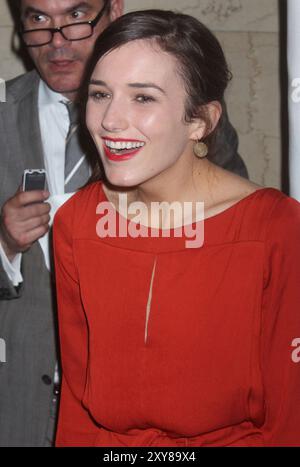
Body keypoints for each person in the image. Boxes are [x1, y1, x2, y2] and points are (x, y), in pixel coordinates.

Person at [53, 10, 300, 447]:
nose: (110, 120)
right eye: (99, 94)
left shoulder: (275, 229)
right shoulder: (78, 222)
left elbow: (288, 420)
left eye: (143, 98)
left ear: (200, 120)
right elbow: (77, 404)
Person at [0, 0, 124, 447]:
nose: (56, 43)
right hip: (13, 409)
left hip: (128, 411)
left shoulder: (178, 116)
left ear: (115, 11)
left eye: (75, 16)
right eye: (38, 20)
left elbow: (230, 250)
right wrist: (4, 245)